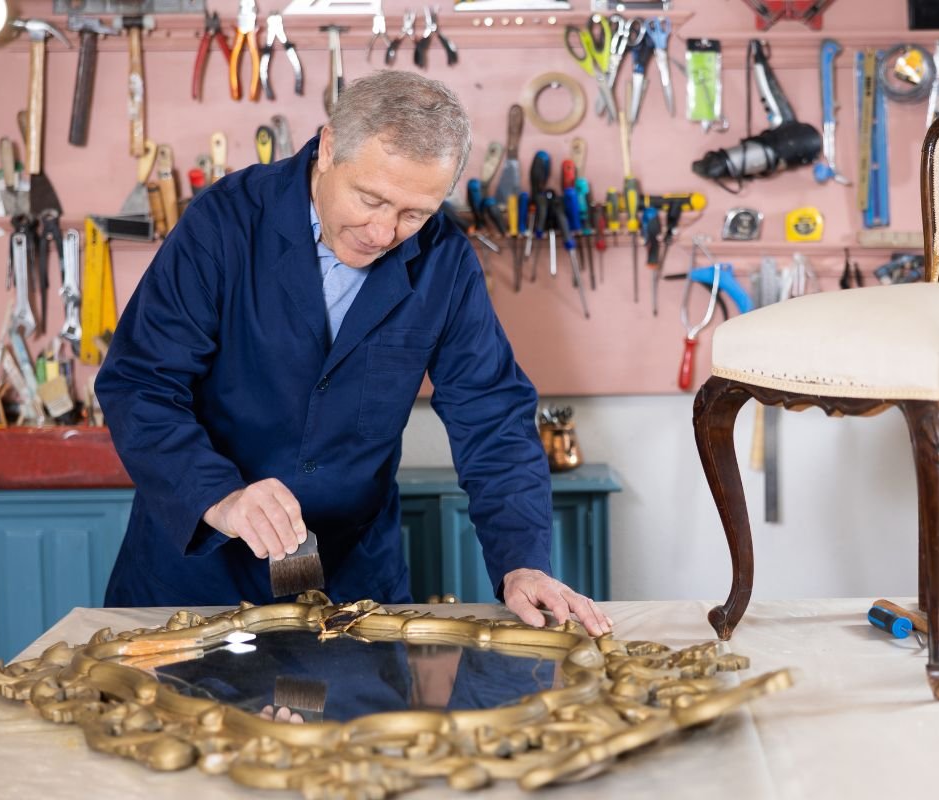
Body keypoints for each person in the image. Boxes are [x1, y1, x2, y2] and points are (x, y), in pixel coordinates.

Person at [95, 71, 611, 637]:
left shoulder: (445, 262)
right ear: (329, 147)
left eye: (415, 213)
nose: (385, 231)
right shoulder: (223, 224)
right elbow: (140, 384)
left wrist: (523, 561)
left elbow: (492, 415)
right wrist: (220, 496)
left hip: (354, 586)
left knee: (369, 729)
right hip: (195, 580)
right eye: (371, 199)